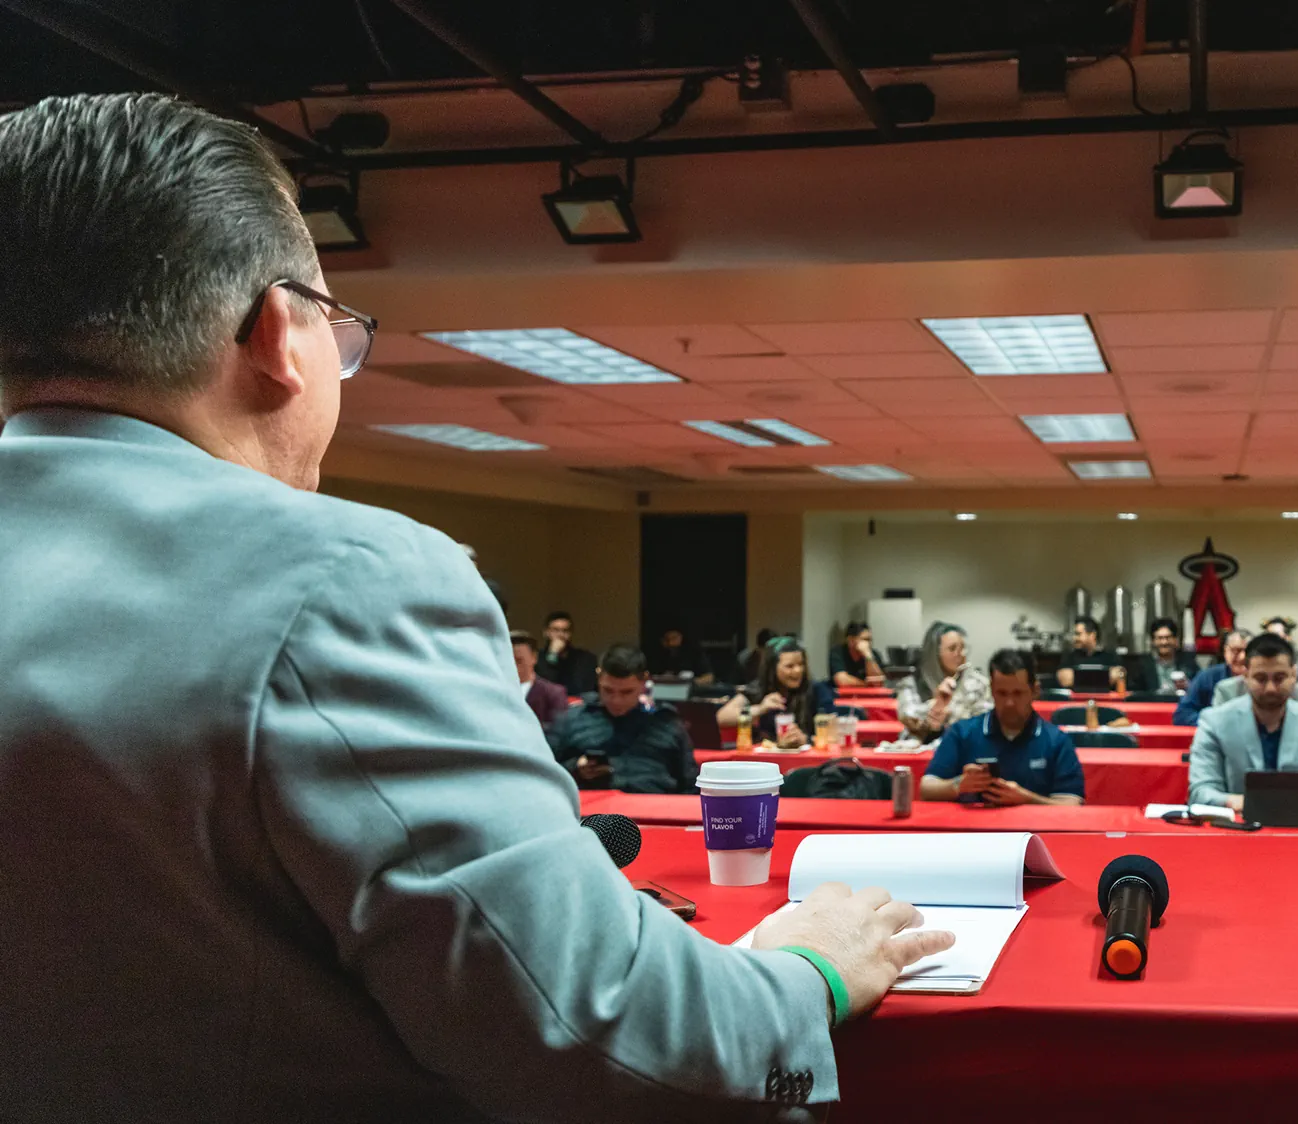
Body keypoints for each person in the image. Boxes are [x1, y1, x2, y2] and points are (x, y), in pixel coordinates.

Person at [0, 92, 948, 1121]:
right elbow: (608, 1043)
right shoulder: (345, 575)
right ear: (281, 332)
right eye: (335, 323)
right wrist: (808, 968)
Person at [1187, 634, 1298, 811]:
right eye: (1261, 679)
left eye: (1279, 678)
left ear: (1294, 675)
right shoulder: (1214, 722)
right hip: (1235, 830)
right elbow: (1200, 792)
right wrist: (1244, 803)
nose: (1270, 688)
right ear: (1245, 676)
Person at [920, 650, 1084, 805]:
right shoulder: (962, 733)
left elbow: (1072, 805)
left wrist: (1026, 799)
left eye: (1018, 693)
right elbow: (926, 788)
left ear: (1035, 691)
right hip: (973, 830)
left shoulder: (1057, 742)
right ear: (991, 690)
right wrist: (958, 785)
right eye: (1002, 693)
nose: (1009, 703)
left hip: (1033, 830)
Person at [547, 645, 697, 793]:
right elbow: (544, 773)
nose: (616, 700)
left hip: (652, 807)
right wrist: (575, 768)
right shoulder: (573, 719)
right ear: (599, 676)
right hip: (592, 811)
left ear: (644, 681)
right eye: (608, 690)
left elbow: (690, 783)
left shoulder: (666, 723)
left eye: (627, 692)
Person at [718, 638, 838, 749]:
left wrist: (806, 740)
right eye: (789, 666)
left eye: (801, 664)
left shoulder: (817, 690)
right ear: (773, 668)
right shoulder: (758, 689)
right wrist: (760, 709)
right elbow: (722, 717)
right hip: (764, 761)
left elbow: (834, 734)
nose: (798, 670)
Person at [895, 621, 993, 742]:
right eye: (952, 649)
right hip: (919, 750)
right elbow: (909, 717)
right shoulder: (911, 683)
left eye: (963, 648)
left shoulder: (978, 683)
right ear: (934, 653)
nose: (960, 654)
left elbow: (985, 720)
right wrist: (937, 705)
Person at [1173, 628, 1254, 725]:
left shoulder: (1263, 678)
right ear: (1225, 651)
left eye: (1247, 652)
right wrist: (1214, 722)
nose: (1242, 657)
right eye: (1236, 651)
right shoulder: (1208, 676)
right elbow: (1183, 714)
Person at [510, 630, 570, 731]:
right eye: (509, 660)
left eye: (519, 661)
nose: (513, 666)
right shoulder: (495, 689)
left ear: (534, 658)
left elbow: (558, 732)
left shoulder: (553, 693)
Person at [1131, 617, 1201, 694]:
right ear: (1153, 641)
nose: (1164, 642)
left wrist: (1188, 686)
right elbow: (1135, 693)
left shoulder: (1188, 662)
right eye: (1160, 638)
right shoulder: (1142, 665)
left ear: (1175, 639)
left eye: (1168, 637)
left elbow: (1200, 686)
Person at [536, 610, 597, 697]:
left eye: (565, 631)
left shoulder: (585, 658)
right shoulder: (536, 659)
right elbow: (543, 689)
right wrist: (553, 655)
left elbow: (585, 689)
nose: (560, 635)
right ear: (546, 632)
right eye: (555, 630)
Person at [1055, 616, 1125, 690]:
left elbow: (1119, 676)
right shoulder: (1070, 656)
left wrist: (1078, 678)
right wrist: (1104, 677)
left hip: (1106, 700)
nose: (1074, 638)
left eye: (1078, 634)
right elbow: (1064, 680)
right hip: (1076, 700)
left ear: (1092, 635)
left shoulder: (1110, 655)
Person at [1259, 616, 1298, 690]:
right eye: (1268, 637)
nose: (1272, 641)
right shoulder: (1259, 662)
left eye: (1276, 636)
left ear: (1288, 637)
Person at [829, 621, 884, 688]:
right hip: (844, 695)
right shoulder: (837, 652)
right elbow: (841, 680)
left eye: (870, 640)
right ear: (850, 640)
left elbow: (878, 682)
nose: (869, 644)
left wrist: (868, 657)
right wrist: (866, 685)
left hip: (870, 696)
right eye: (865, 639)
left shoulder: (873, 654)